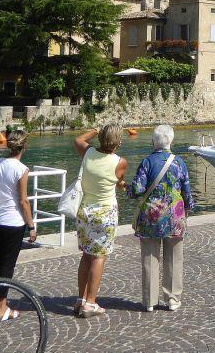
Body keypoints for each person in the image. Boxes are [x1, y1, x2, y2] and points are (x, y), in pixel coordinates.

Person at [126, 124, 196, 312]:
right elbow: (187, 191)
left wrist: (125, 186)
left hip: (151, 217)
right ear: (171, 141)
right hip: (175, 216)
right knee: (174, 258)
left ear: (153, 141)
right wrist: (189, 208)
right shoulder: (179, 162)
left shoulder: (147, 162)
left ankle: (149, 301)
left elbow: (137, 190)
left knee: (150, 257)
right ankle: (172, 299)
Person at [73, 124, 128, 317]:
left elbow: (78, 140)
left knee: (86, 255)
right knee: (99, 257)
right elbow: (119, 180)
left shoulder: (87, 153)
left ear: (101, 138)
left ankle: (81, 299)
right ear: (118, 142)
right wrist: (121, 184)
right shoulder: (120, 161)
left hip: (85, 211)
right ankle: (91, 303)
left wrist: (95, 130)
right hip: (104, 214)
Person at [0, 129, 36, 321]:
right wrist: (31, 226)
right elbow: (23, 201)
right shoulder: (21, 169)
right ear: (24, 146)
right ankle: (3, 308)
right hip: (13, 222)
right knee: (7, 266)